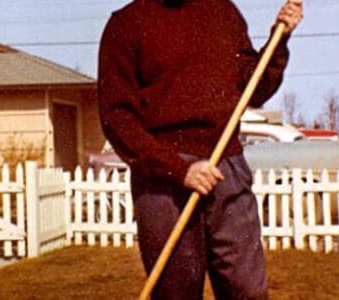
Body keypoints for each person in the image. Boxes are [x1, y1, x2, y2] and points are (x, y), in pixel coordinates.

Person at [97, 0, 303, 299]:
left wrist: (279, 39)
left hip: (227, 165)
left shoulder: (224, 13)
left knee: (246, 290)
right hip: (164, 181)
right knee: (176, 293)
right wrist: (179, 170)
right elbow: (117, 119)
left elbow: (253, 89)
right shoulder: (127, 23)